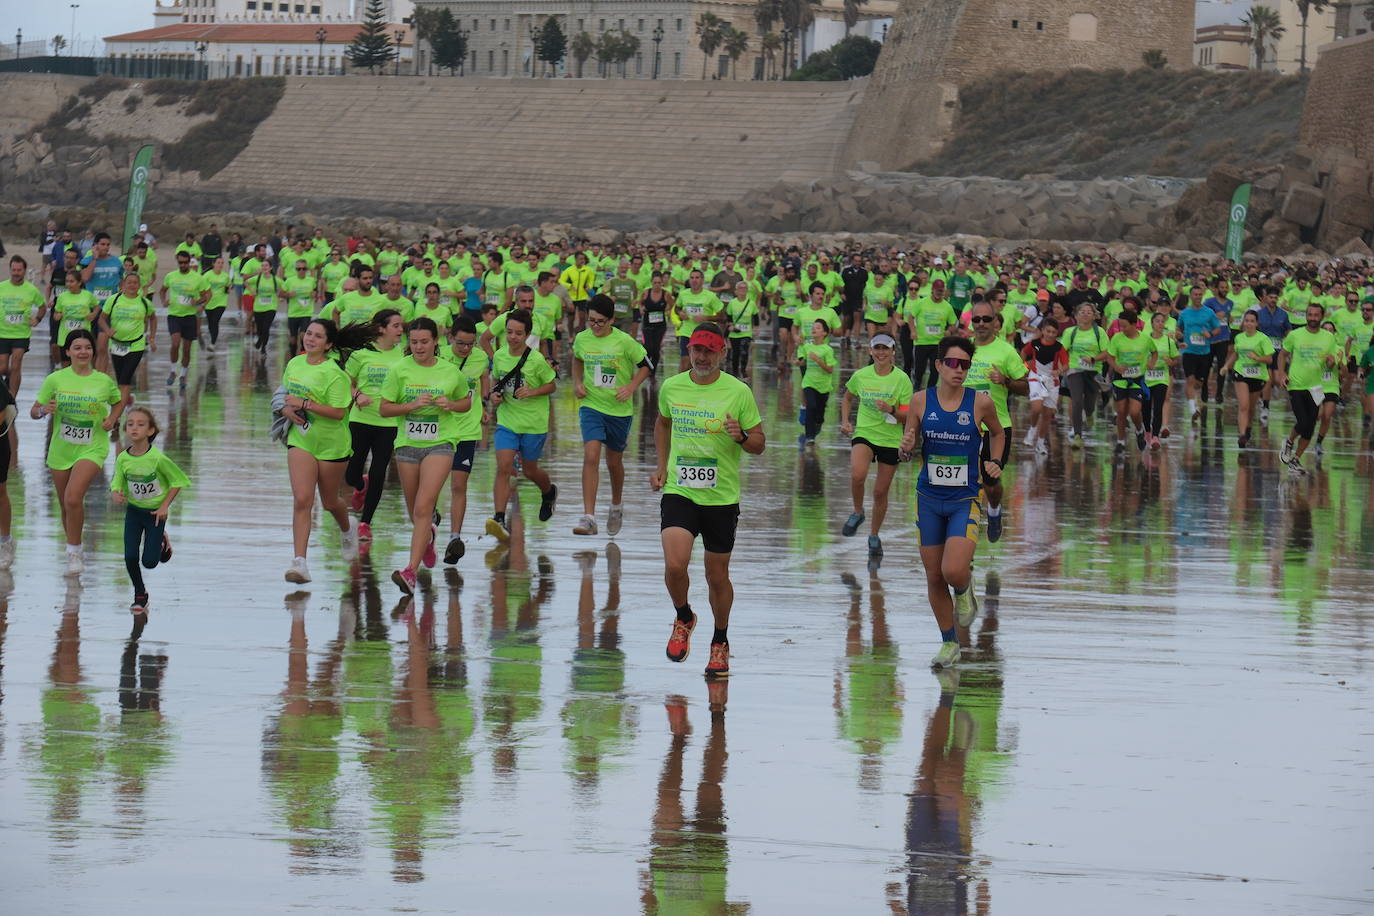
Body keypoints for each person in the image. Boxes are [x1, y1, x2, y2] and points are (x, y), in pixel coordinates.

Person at [652, 322, 764, 678]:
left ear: (722, 352)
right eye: (697, 350)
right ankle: (684, 617)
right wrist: (661, 467)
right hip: (680, 491)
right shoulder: (672, 387)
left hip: (721, 498)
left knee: (717, 577)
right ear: (688, 350)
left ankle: (720, 641)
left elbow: (759, 443)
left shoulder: (738, 392)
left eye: (709, 351)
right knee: (675, 565)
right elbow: (662, 422)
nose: (702, 356)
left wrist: (742, 436)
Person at [900, 335, 1003, 669]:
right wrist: (905, 446)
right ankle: (949, 643)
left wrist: (995, 461)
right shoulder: (919, 401)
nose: (959, 370)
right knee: (933, 576)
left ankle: (964, 590)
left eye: (966, 365)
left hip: (964, 498)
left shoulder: (980, 403)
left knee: (953, 569)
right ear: (939, 365)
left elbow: (998, 433)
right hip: (928, 497)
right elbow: (909, 444)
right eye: (954, 363)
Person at [379, 317, 472, 594]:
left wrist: (451, 404)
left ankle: (410, 571)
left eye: (424, 342)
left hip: (441, 443)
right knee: (415, 513)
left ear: (436, 341)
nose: (418, 347)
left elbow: (466, 401)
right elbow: (384, 409)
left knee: (423, 507)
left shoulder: (449, 371)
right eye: (414, 342)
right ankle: (429, 536)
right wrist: (409, 405)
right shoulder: (399, 369)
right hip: (407, 444)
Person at [30, 330, 124, 574]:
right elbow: (34, 410)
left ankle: (75, 552)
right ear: (68, 352)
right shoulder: (55, 379)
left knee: (73, 498)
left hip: (93, 446)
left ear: (93, 352)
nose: (83, 352)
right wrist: (43, 411)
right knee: (65, 505)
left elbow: (119, 400)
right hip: (61, 448)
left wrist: (113, 419)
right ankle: (72, 544)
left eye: (87, 347)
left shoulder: (103, 380)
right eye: (77, 347)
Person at [279, 319, 363, 583]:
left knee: (329, 502)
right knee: (303, 499)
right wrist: (285, 410)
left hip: (332, 445)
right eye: (309, 334)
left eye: (317, 336)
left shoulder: (335, 374)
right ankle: (300, 563)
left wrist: (306, 403)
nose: (310, 339)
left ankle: (348, 529)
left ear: (328, 344)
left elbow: (339, 413)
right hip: (301, 439)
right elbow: (284, 395)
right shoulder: (295, 363)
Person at [571, 295, 651, 537]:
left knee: (613, 462)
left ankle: (616, 504)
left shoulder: (624, 342)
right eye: (591, 321)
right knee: (591, 455)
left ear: (612, 320)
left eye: (600, 322)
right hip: (591, 406)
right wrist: (577, 382)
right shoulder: (582, 339)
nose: (594, 326)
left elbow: (647, 365)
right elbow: (576, 359)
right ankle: (589, 518)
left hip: (619, 410)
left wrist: (631, 387)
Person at [485, 308, 558, 542]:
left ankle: (548, 492)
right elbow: (497, 381)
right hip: (507, 420)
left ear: (527, 334)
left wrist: (533, 391)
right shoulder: (499, 356)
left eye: (518, 333)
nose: (513, 337)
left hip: (534, 423)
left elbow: (551, 386)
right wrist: (495, 395)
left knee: (529, 470)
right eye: (509, 332)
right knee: (504, 466)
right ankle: (498, 517)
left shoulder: (536, 360)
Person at [839, 333, 913, 556]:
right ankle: (858, 511)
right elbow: (847, 398)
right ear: (870, 351)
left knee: (881, 492)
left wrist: (890, 409)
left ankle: (873, 534)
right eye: (877, 348)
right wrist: (845, 421)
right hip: (865, 433)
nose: (881, 353)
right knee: (857, 475)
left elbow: (908, 416)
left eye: (885, 348)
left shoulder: (902, 380)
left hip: (891, 439)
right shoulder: (861, 376)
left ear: (893, 352)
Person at [110, 408, 189, 616]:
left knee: (150, 562)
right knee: (129, 556)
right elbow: (117, 481)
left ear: (150, 430)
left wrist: (164, 506)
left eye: (141, 424)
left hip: (155, 514)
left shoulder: (157, 458)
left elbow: (178, 481)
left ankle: (162, 540)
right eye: (130, 424)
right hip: (134, 512)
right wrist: (115, 493)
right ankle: (140, 593)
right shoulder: (122, 459)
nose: (134, 427)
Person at [964, 301, 1027, 542]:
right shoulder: (964, 348)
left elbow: (1026, 387)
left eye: (986, 320)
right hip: (964, 426)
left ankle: (994, 510)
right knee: (963, 479)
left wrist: (1006, 381)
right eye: (977, 319)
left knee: (990, 481)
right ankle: (964, 525)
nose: (981, 324)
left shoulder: (1006, 351)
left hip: (996, 427)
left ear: (995, 323)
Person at [343, 308, 406, 541]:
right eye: (396, 326)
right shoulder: (361, 354)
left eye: (401, 326)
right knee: (351, 474)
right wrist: (357, 395)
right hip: (360, 420)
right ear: (381, 328)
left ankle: (365, 523)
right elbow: (346, 383)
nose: (401, 330)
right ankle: (360, 485)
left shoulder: (402, 356)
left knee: (379, 473)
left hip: (388, 423)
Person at [440, 315, 491, 563]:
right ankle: (430, 517)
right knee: (431, 485)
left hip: (468, 431)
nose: (465, 349)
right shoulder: (437, 355)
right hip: (440, 430)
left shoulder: (480, 358)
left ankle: (454, 537)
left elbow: (483, 379)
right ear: (451, 338)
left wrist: (484, 403)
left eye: (470, 344)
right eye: (461, 344)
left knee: (459, 485)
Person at [1275, 303, 1340, 472]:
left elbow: (1331, 359)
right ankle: (1288, 442)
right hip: (1296, 384)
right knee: (1303, 421)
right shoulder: (1295, 335)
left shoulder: (1328, 337)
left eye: (1315, 315)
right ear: (1306, 316)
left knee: (1310, 427)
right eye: (1309, 315)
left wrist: (1331, 361)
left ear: (1322, 316)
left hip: (1317, 387)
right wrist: (1282, 374)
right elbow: (1282, 354)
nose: (1312, 318)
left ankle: (1295, 460)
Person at [99, 273, 158, 410]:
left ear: (139, 286)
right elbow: (101, 319)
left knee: (125, 380)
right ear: (124, 285)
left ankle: (118, 413)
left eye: (135, 283)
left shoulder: (144, 302)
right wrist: (107, 330)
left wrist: (152, 337)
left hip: (136, 345)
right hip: (116, 344)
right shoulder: (113, 300)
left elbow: (153, 318)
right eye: (129, 282)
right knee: (120, 379)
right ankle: (127, 399)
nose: (132, 285)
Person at [1060, 304, 1108, 447]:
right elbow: (1063, 351)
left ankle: (1089, 414)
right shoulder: (1070, 332)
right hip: (1075, 370)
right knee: (1076, 401)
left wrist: (1094, 359)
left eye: (1089, 312)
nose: (1085, 315)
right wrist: (1063, 366)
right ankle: (1077, 435)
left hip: (1093, 371)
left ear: (1094, 316)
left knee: (1090, 403)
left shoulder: (1099, 332)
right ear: (1076, 315)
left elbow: (1106, 353)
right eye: (1082, 312)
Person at [1105, 304, 1152, 453]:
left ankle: (1139, 431)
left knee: (1134, 411)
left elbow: (1155, 352)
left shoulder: (1145, 339)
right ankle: (1120, 442)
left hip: (1137, 379)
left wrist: (1151, 363)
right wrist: (1116, 367)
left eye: (1125, 326)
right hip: (1120, 379)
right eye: (1120, 326)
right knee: (1121, 411)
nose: (1122, 329)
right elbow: (1110, 357)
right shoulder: (1117, 338)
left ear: (1134, 324)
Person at [160, 249, 209, 389]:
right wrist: (163, 301)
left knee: (187, 349)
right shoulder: (170, 276)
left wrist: (198, 302)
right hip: (174, 315)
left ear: (189, 263)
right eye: (180, 263)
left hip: (189, 316)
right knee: (175, 344)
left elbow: (206, 295)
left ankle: (183, 375)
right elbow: (162, 290)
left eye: (185, 263)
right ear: (177, 262)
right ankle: (172, 371)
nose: (183, 265)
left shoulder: (198, 278)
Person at [0, 255, 46, 399]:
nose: (16, 273)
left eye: (19, 270)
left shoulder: (31, 290)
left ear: (24, 271)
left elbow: (42, 307)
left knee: (16, 365)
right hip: (2, 333)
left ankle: (12, 397)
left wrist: (37, 319)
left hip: (21, 334)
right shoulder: (2, 287)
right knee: (3, 367)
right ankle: (7, 382)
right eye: (13, 270)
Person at [1021, 319, 1067, 456]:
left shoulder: (1059, 347)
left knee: (1047, 414)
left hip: (1052, 382)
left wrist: (1059, 371)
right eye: (1048, 331)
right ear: (1042, 331)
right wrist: (1024, 366)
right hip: (1036, 378)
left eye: (1053, 332)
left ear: (1057, 333)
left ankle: (1040, 443)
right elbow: (1023, 353)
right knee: (1036, 408)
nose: (1050, 334)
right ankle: (1032, 430)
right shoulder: (1034, 344)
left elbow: (1066, 364)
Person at [1176, 286, 1222, 422]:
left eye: (1199, 294)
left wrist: (1210, 334)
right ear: (1190, 297)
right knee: (1190, 380)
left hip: (1204, 352)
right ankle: (1192, 409)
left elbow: (1218, 328)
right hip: (1189, 351)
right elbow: (1179, 327)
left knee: (1199, 384)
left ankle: (1194, 400)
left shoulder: (1209, 312)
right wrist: (1178, 333)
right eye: (1195, 294)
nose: (1197, 296)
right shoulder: (1184, 313)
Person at [797, 318, 837, 449]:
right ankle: (810, 437)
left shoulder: (827, 350)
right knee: (811, 406)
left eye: (818, 327)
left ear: (824, 333)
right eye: (813, 327)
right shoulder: (807, 346)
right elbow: (802, 362)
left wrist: (818, 360)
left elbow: (830, 370)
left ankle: (818, 424)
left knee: (819, 414)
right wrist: (798, 362)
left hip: (824, 386)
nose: (814, 329)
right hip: (809, 383)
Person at [1144, 310, 1180, 449]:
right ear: (1152, 324)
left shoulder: (1169, 341)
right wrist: (1146, 363)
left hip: (1162, 378)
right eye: (1157, 321)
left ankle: (1155, 436)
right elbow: (1139, 356)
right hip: (1147, 378)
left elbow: (1176, 359)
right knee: (1146, 408)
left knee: (1158, 407)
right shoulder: (1145, 339)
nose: (1160, 324)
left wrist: (1171, 362)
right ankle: (1147, 431)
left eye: (1162, 321)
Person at [637, 272, 673, 375]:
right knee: (648, 348)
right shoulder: (646, 293)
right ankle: (646, 367)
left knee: (656, 349)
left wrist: (668, 310)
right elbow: (640, 302)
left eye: (659, 283)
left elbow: (672, 305)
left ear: (662, 283)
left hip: (660, 326)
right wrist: (641, 308)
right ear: (651, 283)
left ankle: (653, 370)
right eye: (655, 282)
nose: (657, 285)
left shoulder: (666, 294)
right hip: (647, 325)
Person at [246, 261, 281, 355]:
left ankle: (263, 347)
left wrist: (281, 295)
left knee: (266, 327)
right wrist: (252, 290)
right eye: (262, 266)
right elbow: (246, 282)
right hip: (258, 307)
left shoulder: (275, 279)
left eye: (266, 265)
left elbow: (284, 287)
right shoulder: (257, 278)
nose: (264, 267)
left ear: (270, 268)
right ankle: (260, 340)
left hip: (271, 307)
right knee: (260, 329)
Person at [202, 255, 231, 352]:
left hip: (221, 302)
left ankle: (213, 343)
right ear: (213, 264)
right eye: (218, 263)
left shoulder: (226, 276)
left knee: (215, 321)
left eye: (222, 263)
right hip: (209, 302)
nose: (220, 265)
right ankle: (212, 338)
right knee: (211, 324)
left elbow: (227, 288)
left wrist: (227, 290)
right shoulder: (207, 275)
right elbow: (202, 289)